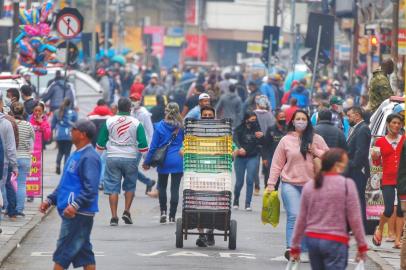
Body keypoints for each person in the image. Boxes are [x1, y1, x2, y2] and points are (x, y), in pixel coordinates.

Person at [290, 148, 368, 269]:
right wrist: (362, 245)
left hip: (313, 240)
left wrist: (295, 245)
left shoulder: (310, 186)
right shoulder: (347, 185)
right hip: (336, 241)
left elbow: (301, 219)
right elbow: (355, 219)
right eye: (345, 163)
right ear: (337, 165)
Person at [267, 110, 329, 260]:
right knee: (294, 215)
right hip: (290, 184)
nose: (301, 121)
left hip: (312, 185)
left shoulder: (316, 138)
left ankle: (306, 248)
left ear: (308, 121)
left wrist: (315, 150)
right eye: (298, 119)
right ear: (293, 122)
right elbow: (277, 164)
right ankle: (292, 248)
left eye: (303, 119)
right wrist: (271, 184)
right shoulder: (285, 140)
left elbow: (329, 157)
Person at [40, 119, 101, 270]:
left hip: (78, 213)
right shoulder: (76, 154)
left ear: (82, 134)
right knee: (84, 254)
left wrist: (74, 205)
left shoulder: (90, 157)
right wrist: (50, 199)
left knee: (62, 254)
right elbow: (65, 183)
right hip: (73, 212)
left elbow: (91, 188)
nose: (70, 131)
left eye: (73, 129)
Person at [96, 98, 148, 226]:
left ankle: (114, 217)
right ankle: (126, 211)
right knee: (130, 186)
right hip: (130, 158)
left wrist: (96, 159)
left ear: (118, 108)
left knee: (113, 188)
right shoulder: (136, 123)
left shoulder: (109, 121)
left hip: (112, 157)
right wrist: (147, 161)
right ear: (130, 108)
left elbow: (100, 144)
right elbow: (143, 145)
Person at [143, 103, 184, 224]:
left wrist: (147, 162)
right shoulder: (182, 128)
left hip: (163, 160)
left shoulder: (159, 126)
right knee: (175, 189)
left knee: (162, 187)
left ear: (166, 112)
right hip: (178, 160)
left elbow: (153, 147)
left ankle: (163, 212)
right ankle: (172, 216)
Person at [371, 114, 404, 248]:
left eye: (399, 123)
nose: (396, 125)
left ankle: (397, 240)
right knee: (389, 209)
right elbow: (377, 163)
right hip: (388, 179)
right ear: (388, 124)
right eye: (394, 123)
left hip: (403, 179)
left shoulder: (404, 139)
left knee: (402, 210)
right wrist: (375, 157)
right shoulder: (379, 142)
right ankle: (379, 228)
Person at [346, 106, 371, 230]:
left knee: (358, 198)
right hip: (354, 169)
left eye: (349, 115)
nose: (348, 118)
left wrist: (352, 164)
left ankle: (359, 226)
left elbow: (361, 151)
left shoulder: (363, 129)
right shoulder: (356, 128)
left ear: (357, 115)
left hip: (358, 170)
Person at [233, 111, 264, 211]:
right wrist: (239, 148)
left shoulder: (258, 130)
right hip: (240, 158)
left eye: (255, 120)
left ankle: (248, 203)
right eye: (252, 120)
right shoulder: (239, 129)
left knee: (250, 179)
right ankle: (236, 199)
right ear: (246, 120)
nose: (254, 122)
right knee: (239, 182)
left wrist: (262, 137)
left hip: (253, 157)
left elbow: (263, 143)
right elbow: (235, 140)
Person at [130, 93, 156, 194]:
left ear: (139, 101)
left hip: (141, 144)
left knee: (131, 167)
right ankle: (148, 182)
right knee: (130, 167)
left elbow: (150, 132)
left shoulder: (144, 114)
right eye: (131, 99)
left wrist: (148, 149)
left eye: (135, 100)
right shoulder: (131, 112)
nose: (133, 102)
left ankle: (130, 190)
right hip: (131, 144)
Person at [11, 103, 34, 216]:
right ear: (23, 111)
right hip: (25, 157)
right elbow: (33, 139)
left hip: (12, 157)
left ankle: (9, 206)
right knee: (21, 184)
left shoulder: (10, 123)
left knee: (8, 183)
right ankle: (19, 209)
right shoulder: (28, 125)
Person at [28, 102, 52, 203]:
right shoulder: (29, 119)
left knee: (35, 171)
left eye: (39, 111)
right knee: (28, 172)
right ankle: (29, 193)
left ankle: (33, 193)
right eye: (35, 110)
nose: (37, 113)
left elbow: (47, 136)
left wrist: (41, 123)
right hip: (28, 148)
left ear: (42, 112)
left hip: (38, 150)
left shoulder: (45, 121)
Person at [52, 98, 78, 175]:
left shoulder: (57, 112)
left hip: (59, 134)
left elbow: (53, 124)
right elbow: (76, 124)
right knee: (67, 153)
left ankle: (57, 165)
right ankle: (65, 168)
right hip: (69, 135)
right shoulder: (73, 113)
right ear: (70, 104)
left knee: (60, 151)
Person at [262, 110, 287, 188]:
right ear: (276, 118)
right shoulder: (271, 129)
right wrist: (264, 158)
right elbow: (265, 144)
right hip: (271, 157)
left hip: (285, 158)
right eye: (281, 117)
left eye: (284, 117)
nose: (283, 119)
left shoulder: (288, 129)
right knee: (271, 180)